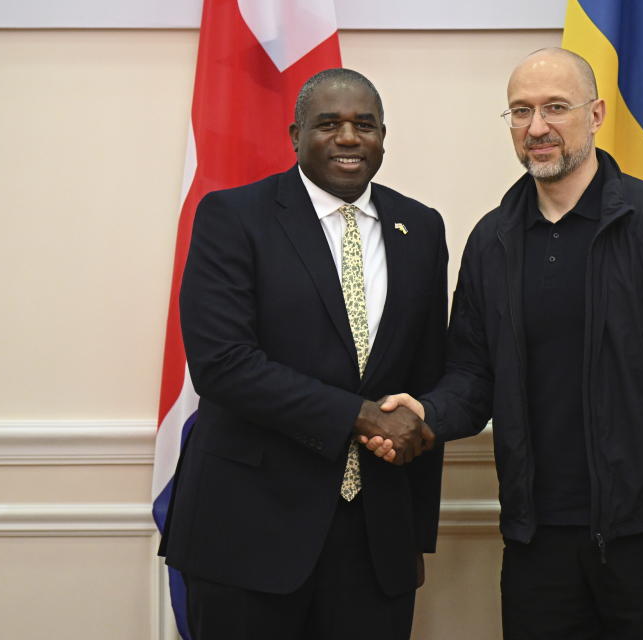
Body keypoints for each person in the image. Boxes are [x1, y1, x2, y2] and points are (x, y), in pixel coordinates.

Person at [368, 48, 643, 639]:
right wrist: (426, 412)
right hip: (536, 543)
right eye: (520, 112)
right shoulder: (491, 241)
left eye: (555, 108)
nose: (537, 128)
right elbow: (473, 379)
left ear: (596, 113)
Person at [159, 68, 448, 640]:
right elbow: (222, 364)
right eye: (329, 124)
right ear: (294, 135)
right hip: (249, 534)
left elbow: (425, 374)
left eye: (364, 125)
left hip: (374, 545)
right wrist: (358, 415)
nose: (348, 138)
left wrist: (411, 535)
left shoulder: (420, 227)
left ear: (383, 137)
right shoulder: (233, 216)